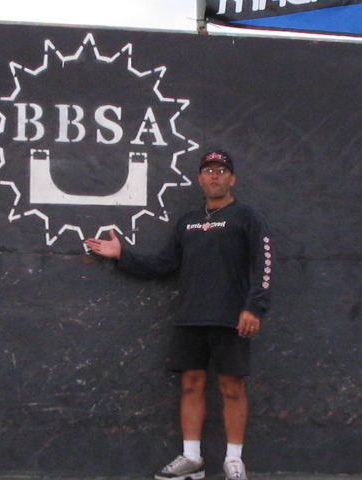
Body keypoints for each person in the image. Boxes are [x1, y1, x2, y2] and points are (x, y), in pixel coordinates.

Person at [85, 150, 273, 480]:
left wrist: (254, 307)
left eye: (221, 170)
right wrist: (122, 256)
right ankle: (191, 459)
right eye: (208, 171)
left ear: (232, 179)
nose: (214, 176)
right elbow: (163, 265)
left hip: (232, 318)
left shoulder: (247, 217)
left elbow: (265, 264)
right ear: (200, 179)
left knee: (232, 388)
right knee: (191, 385)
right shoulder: (187, 223)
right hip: (190, 318)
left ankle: (233, 462)